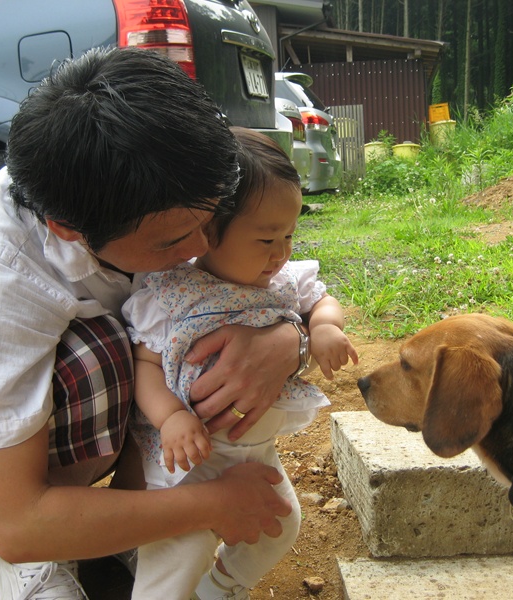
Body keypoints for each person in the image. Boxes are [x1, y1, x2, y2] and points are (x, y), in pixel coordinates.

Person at [0, 47, 302, 600]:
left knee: (143, 348)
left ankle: (128, 523)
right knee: (103, 353)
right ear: (67, 228)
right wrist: (215, 503)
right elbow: (15, 522)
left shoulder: (148, 176)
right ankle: (50, 555)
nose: (200, 249)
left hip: (57, 414)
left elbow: (266, 279)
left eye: (211, 221)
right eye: (173, 240)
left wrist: (287, 340)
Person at [122, 127, 358, 600]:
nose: (282, 252)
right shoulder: (173, 293)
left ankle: (222, 588)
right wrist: (169, 417)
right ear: (207, 233)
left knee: (281, 525)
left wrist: (326, 327)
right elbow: (145, 365)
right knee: (180, 552)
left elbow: (322, 301)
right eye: (267, 238)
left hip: (258, 451)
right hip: (191, 461)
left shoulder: (286, 278)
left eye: (290, 234)